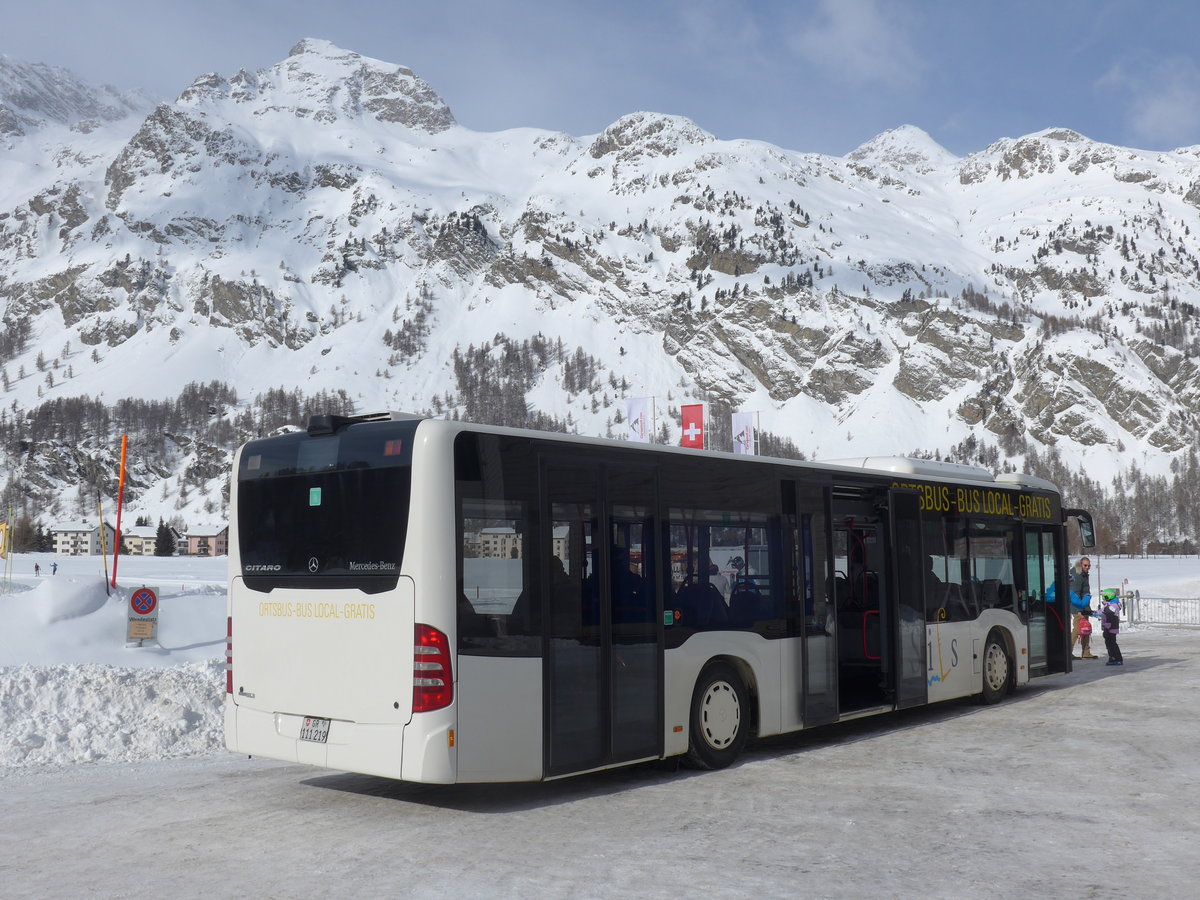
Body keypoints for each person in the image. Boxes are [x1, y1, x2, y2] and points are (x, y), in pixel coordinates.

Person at [1069, 557, 1092, 658]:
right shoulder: (1077, 575)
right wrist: (1079, 609)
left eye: (1089, 565)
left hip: (1083, 606)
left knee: (1085, 628)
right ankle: (1068, 652)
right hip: (1078, 607)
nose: (1087, 567)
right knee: (1078, 629)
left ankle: (1086, 652)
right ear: (1080, 565)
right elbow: (1075, 593)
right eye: (1085, 565)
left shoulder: (1083, 574)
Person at [1102, 598, 1124, 666]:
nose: (1103, 600)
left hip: (1110, 628)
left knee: (1111, 644)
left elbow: (1106, 615)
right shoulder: (1108, 606)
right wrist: (1091, 613)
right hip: (1109, 627)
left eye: (1104, 598)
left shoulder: (1111, 606)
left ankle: (1115, 658)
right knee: (1110, 643)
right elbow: (1101, 613)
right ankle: (1114, 657)